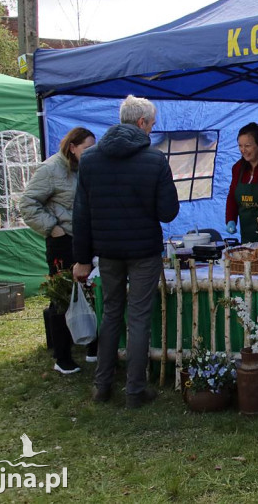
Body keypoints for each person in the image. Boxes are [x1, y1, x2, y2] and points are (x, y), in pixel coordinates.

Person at [72, 95, 180, 408]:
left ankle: (102, 385)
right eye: (152, 124)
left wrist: (82, 258)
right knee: (139, 317)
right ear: (142, 122)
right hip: (143, 250)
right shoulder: (154, 159)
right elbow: (168, 212)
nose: (152, 129)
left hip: (107, 251)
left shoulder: (90, 159)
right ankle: (134, 390)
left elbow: (81, 214)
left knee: (110, 314)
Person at [20, 126, 98, 375]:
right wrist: (52, 228)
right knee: (64, 296)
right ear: (72, 147)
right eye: (87, 148)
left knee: (91, 291)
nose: (91, 152)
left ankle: (92, 346)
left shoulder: (85, 167)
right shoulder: (50, 169)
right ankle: (62, 356)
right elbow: (27, 204)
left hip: (86, 239)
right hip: (62, 240)